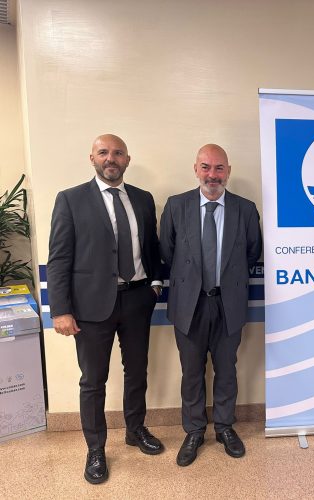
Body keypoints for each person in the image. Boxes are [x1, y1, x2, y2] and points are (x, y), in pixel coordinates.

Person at [48, 134, 164, 484]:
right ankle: (96, 448)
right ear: (92, 158)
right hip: (90, 307)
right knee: (93, 380)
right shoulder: (70, 199)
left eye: (117, 153)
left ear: (127, 159)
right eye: (103, 153)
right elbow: (59, 258)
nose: (110, 158)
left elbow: (151, 245)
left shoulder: (143, 198)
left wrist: (155, 284)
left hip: (137, 299)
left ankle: (135, 429)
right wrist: (60, 310)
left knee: (137, 371)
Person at [160, 144, 262, 467]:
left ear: (228, 171)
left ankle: (224, 427)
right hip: (188, 305)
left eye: (219, 168)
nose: (212, 175)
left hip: (228, 303)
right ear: (196, 169)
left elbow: (252, 252)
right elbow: (167, 252)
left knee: (227, 370)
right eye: (206, 167)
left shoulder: (245, 209)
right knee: (191, 372)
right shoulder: (176, 206)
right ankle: (194, 431)